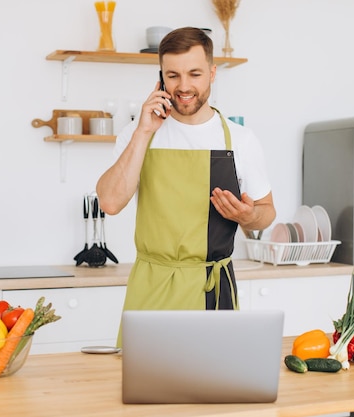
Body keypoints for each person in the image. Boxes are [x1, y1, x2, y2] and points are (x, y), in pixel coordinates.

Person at [96, 27, 275, 342]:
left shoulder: (241, 140)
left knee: (213, 387)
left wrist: (247, 217)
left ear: (212, 73)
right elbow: (110, 202)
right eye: (173, 75)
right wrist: (143, 131)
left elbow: (266, 212)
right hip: (151, 288)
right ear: (161, 78)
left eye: (194, 73)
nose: (184, 86)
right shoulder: (137, 134)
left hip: (212, 291)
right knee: (144, 387)